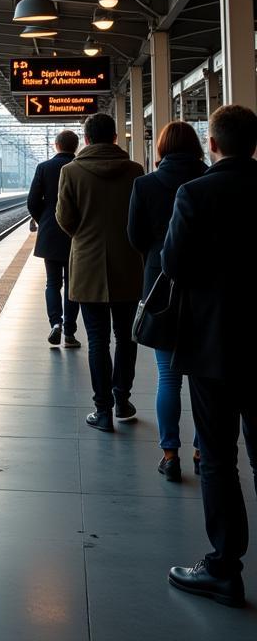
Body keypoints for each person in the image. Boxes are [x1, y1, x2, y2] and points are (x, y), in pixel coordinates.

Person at [164, 104, 257, 608]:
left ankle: (224, 568)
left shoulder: (194, 194)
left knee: (218, 458)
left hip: (213, 344)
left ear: (214, 146)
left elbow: (176, 265)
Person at [127, 121, 206, 483]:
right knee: (204, 378)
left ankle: (169, 454)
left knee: (167, 377)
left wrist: (157, 255)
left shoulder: (144, 185)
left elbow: (135, 236)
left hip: (161, 289)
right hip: (208, 291)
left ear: (160, 149)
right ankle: (201, 449)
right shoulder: (209, 179)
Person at [55, 112, 144, 432]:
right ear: (116, 138)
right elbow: (141, 219)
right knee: (126, 338)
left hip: (88, 265)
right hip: (129, 265)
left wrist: (84, 235)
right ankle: (122, 399)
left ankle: (102, 411)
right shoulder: (135, 171)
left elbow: (64, 218)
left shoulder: (71, 171)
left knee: (96, 340)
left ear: (87, 139)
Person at [27, 129, 80, 348]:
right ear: (76, 146)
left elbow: (32, 201)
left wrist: (45, 220)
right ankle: (69, 332)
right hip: (76, 234)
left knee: (52, 283)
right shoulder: (80, 167)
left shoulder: (44, 168)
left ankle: (55, 323)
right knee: (72, 285)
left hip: (50, 232)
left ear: (56, 146)